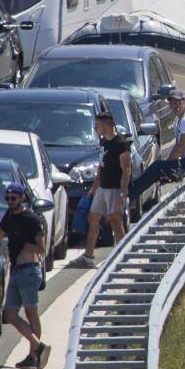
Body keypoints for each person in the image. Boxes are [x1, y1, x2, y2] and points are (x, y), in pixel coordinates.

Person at [0, 182, 50, 369]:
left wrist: (28, 246)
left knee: (30, 312)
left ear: (22, 198)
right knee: (9, 315)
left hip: (29, 270)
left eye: (14, 198)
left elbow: (42, 249)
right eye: (8, 198)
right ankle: (38, 346)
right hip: (16, 271)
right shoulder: (9, 217)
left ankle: (33, 356)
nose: (10, 201)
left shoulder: (32, 219)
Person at [128, 88, 185, 204]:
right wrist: (168, 164)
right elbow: (177, 146)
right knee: (159, 169)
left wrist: (166, 166)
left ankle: (129, 194)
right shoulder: (178, 120)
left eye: (178, 102)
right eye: (172, 103)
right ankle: (135, 195)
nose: (175, 106)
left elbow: (180, 149)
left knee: (157, 167)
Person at [77, 110, 132, 269]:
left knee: (116, 221)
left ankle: (123, 255)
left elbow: (126, 170)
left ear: (108, 125)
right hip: (102, 187)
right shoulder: (104, 143)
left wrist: (123, 193)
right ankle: (88, 256)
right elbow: (101, 167)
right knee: (93, 218)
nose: (95, 129)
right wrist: (94, 188)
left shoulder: (122, 144)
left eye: (98, 126)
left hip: (115, 189)